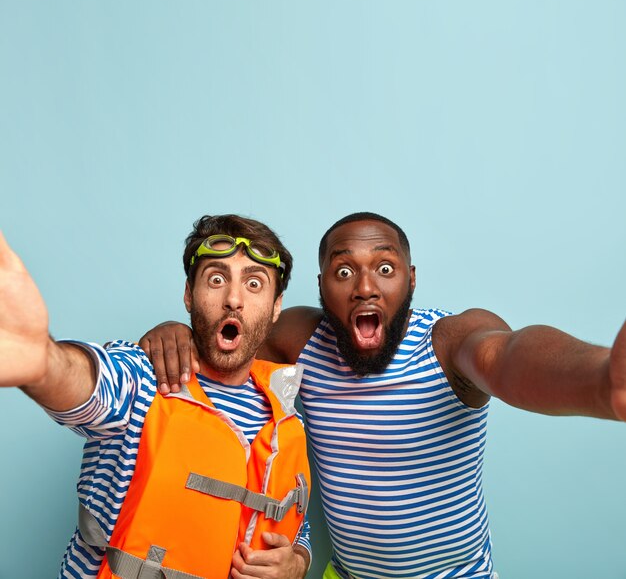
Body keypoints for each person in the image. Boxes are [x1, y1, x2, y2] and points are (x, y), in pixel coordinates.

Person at [142, 211, 626, 579]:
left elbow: (508, 356)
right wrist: (176, 331)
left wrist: (601, 381)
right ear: (321, 287)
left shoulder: (449, 343)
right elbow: (230, 337)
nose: (365, 287)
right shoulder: (301, 338)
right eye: (344, 272)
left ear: (411, 279)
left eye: (386, 268)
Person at [0, 214, 313, 579]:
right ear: (188, 295)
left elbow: (296, 526)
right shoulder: (144, 379)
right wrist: (45, 362)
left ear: (276, 307)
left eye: (254, 284)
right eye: (216, 279)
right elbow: (91, 384)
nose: (233, 299)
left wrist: (297, 563)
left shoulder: (286, 420)